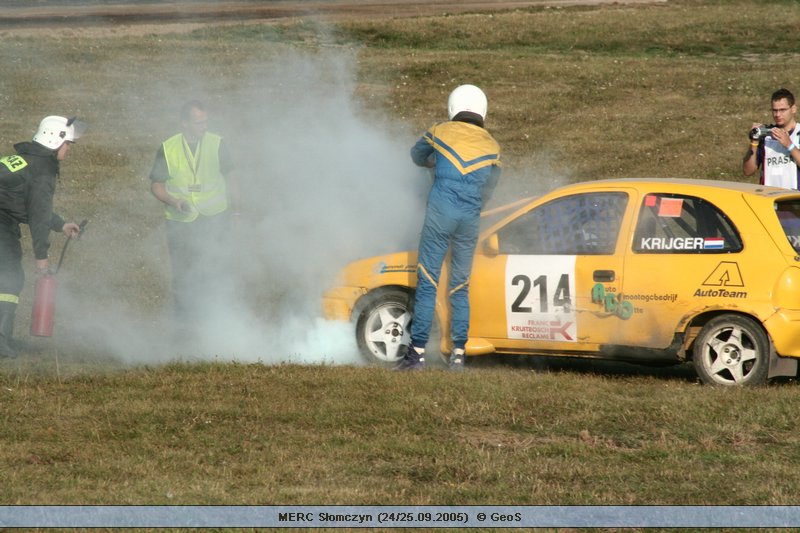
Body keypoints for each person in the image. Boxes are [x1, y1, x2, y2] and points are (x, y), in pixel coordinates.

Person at [399, 84, 502, 371]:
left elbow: (416, 156)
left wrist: (436, 163)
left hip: (440, 213)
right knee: (460, 285)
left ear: (452, 107)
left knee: (429, 280)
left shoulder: (440, 131)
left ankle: (416, 352)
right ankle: (458, 353)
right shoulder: (493, 146)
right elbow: (489, 189)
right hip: (469, 219)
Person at [149, 100, 238, 339]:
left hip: (214, 220)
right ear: (184, 123)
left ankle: (217, 323)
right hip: (181, 223)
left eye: (206, 121)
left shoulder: (217, 144)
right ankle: (185, 330)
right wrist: (174, 202)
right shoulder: (168, 148)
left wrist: (234, 209)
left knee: (215, 271)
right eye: (199, 122)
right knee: (183, 275)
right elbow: (156, 186)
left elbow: (231, 179)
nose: (204, 126)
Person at [0, 116, 86, 358]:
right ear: (54, 140)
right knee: (9, 278)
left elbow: (27, 205)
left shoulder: (29, 160)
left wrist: (60, 225)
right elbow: (37, 218)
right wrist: (41, 259)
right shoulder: (41, 170)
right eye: (68, 144)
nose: (68, 149)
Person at [743, 88, 800, 189]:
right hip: (769, 198)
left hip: (794, 199)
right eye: (774, 110)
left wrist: (789, 145)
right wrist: (754, 142)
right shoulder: (765, 136)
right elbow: (748, 171)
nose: (778, 115)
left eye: (782, 110)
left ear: (793, 109)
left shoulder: (798, 133)